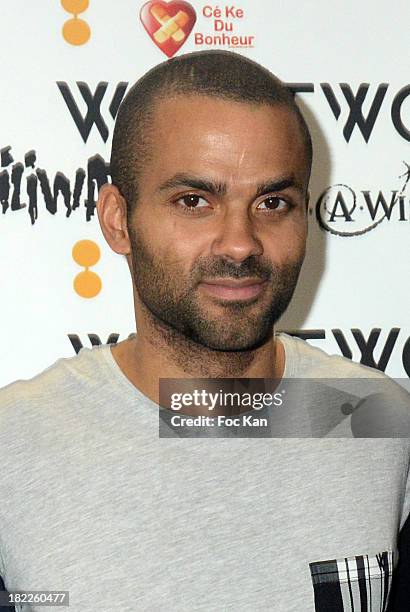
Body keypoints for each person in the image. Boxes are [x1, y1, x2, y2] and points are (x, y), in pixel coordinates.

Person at [0, 50, 408, 611]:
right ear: (118, 219)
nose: (240, 242)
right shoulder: (16, 439)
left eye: (272, 202)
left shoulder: (374, 416)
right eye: (194, 201)